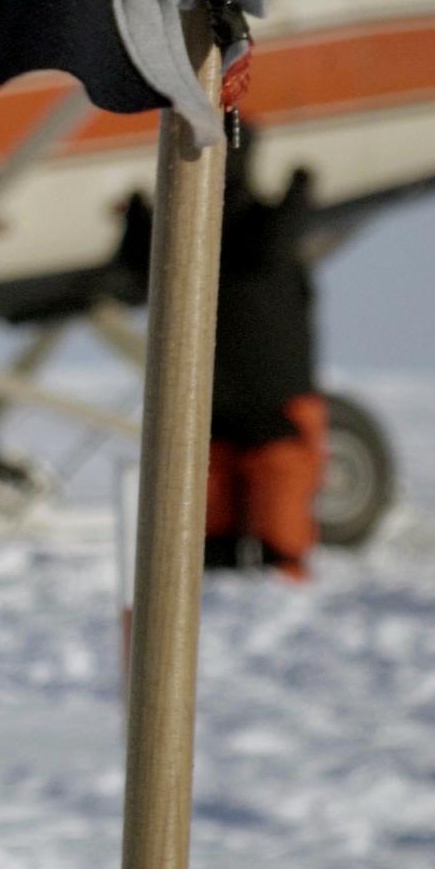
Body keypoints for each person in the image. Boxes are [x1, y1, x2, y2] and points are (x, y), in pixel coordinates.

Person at [105, 130, 324, 581]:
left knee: (264, 531)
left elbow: (134, 271)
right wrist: (301, 196)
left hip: (238, 398)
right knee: (236, 533)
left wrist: (138, 221)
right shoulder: (254, 226)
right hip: (242, 398)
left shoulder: (191, 234)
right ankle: (253, 585)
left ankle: (260, 584)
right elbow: (268, 245)